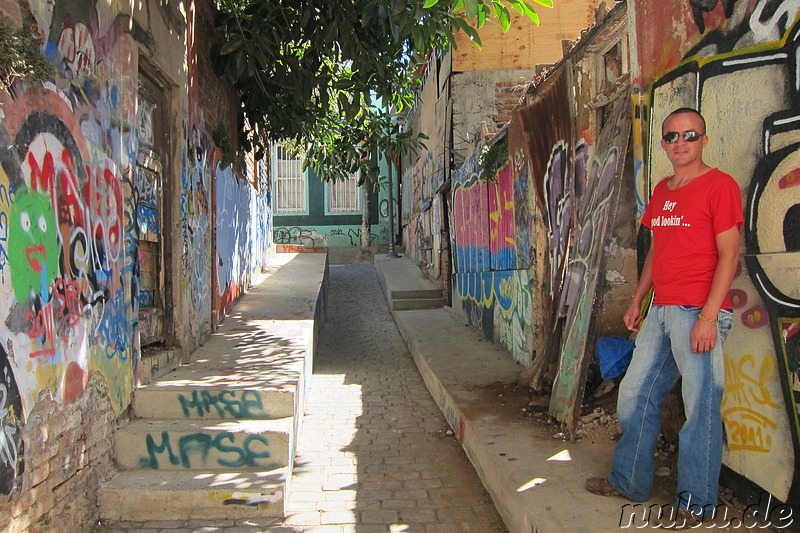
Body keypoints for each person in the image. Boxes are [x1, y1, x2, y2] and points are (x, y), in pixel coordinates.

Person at [585, 108, 743, 528]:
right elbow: (658, 249)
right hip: (662, 309)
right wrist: (639, 297)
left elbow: (729, 253)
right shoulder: (662, 191)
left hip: (698, 313)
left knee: (701, 409)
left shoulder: (719, 186)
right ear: (664, 143)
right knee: (635, 395)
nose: (680, 143)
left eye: (689, 135)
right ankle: (630, 480)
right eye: (672, 137)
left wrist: (709, 317)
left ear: (704, 140)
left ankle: (696, 503)